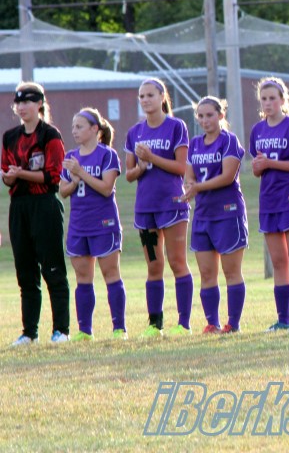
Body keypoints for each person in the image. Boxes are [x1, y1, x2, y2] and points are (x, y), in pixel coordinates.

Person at [2, 82, 70, 345]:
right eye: (18, 102)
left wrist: (20, 173)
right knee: (25, 272)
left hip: (44, 205)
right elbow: (7, 175)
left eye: (28, 101)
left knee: (53, 269)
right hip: (19, 206)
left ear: (40, 104)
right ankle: (29, 332)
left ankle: (61, 330)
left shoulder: (49, 135)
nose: (22, 107)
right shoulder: (10, 137)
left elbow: (53, 177)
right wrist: (10, 176)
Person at [124, 77, 193, 337]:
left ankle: (183, 324)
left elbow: (181, 167)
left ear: (162, 97)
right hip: (146, 207)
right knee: (154, 266)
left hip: (172, 205)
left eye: (150, 95)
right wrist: (141, 167)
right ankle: (155, 325)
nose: (145, 100)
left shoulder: (176, 126)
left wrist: (152, 157)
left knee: (177, 262)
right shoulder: (134, 132)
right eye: (141, 96)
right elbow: (129, 174)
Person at [250, 77, 289, 332]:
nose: (267, 103)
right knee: (278, 262)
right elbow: (258, 169)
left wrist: (270, 163)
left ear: (283, 100)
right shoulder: (257, 130)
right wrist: (258, 167)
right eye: (263, 99)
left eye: (272, 98)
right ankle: (283, 320)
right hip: (270, 200)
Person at [60, 108, 128, 340]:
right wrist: (74, 180)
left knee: (111, 273)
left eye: (79, 127)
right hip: (79, 225)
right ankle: (85, 331)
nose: (74, 131)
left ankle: (119, 329)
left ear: (94, 129)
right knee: (82, 278)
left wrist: (81, 172)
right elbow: (63, 191)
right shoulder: (71, 156)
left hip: (103, 223)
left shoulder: (107, 155)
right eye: (73, 127)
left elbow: (106, 188)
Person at [182, 96, 247, 334]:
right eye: (200, 116)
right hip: (203, 214)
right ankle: (212, 323)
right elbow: (189, 175)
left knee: (231, 272)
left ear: (221, 115)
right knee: (207, 273)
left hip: (227, 213)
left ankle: (233, 324)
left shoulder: (229, 140)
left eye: (209, 115)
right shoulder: (195, 144)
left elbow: (227, 176)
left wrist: (197, 187)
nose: (205, 120)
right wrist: (190, 186)